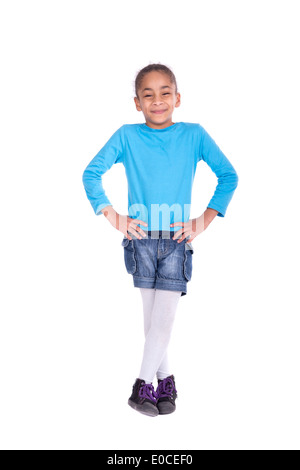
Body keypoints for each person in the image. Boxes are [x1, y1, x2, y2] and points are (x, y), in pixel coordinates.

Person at [82, 63, 239, 417]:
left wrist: (203, 219)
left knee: (164, 319)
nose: (157, 101)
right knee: (153, 320)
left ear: (178, 98)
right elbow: (91, 173)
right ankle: (165, 381)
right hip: (140, 242)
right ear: (137, 103)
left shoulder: (195, 135)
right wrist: (113, 215)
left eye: (165, 93)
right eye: (147, 95)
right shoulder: (126, 135)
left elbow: (229, 175)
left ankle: (141, 387)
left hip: (176, 242)